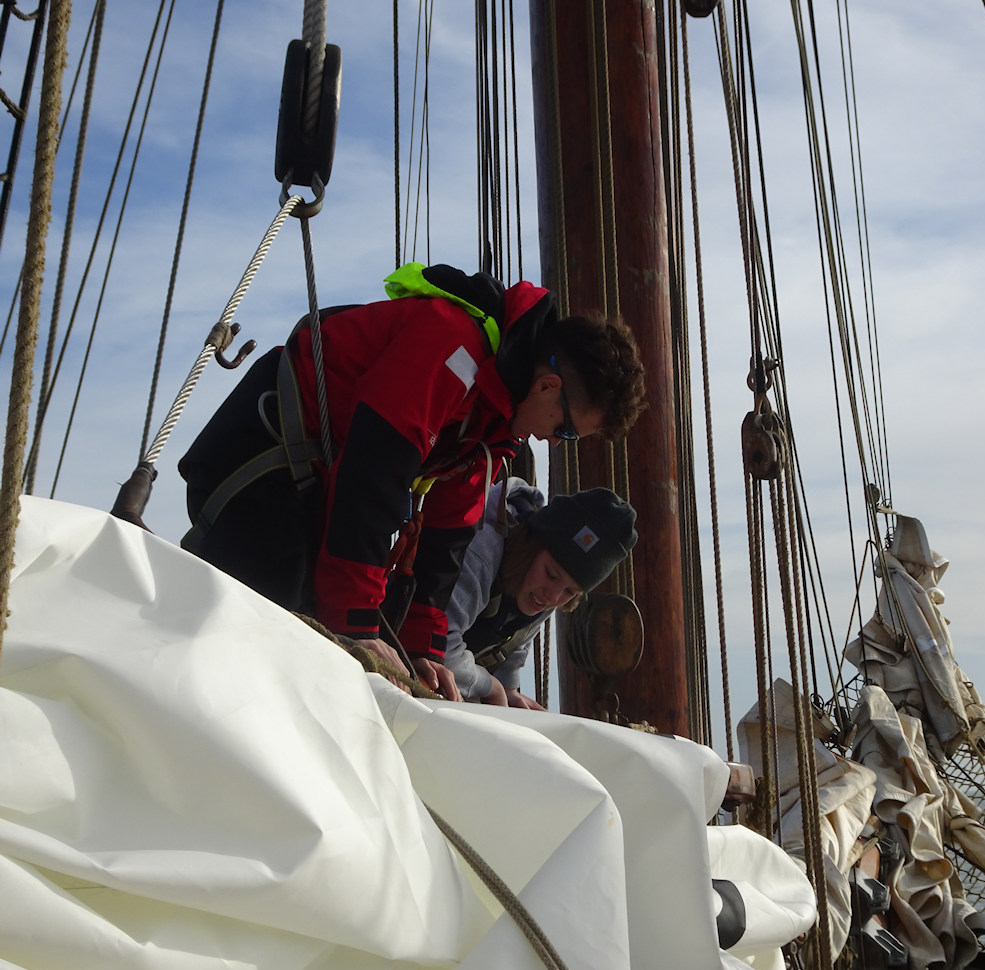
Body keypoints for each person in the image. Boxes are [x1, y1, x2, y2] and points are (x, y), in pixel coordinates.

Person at [178, 262, 645, 697]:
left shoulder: (494, 421)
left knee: (310, 655)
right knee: (266, 652)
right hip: (262, 467)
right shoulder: (450, 342)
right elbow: (375, 470)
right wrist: (358, 626)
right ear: (548, 387)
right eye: (565, 430)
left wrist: (422, 648)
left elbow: (450, 533)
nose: (556, 442)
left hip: (315, 499)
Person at [444, 479, 638, 708]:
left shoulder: (542, 590)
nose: (553, 597)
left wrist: (508, 688)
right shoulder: (481, 554)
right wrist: (491, 686)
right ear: (530, 544)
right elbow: (440, 645)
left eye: (570, 591)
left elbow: (516, 644)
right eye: (551, 574)